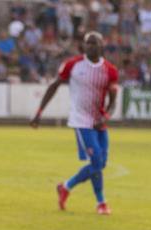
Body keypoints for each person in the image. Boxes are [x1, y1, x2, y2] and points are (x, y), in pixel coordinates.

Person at [30, 32, 119, 215]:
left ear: (102, 46)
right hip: (81, 121)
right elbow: (54, 86)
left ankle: (66, 186)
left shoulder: (110, 70)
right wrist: (39, 112)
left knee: (100, 164)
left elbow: (113, 101)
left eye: (94, 43)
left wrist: (106, 117)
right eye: (87, 43)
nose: (90, 46)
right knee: (96, 161)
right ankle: (101, 202)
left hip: (99, 123)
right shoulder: (73, 65)